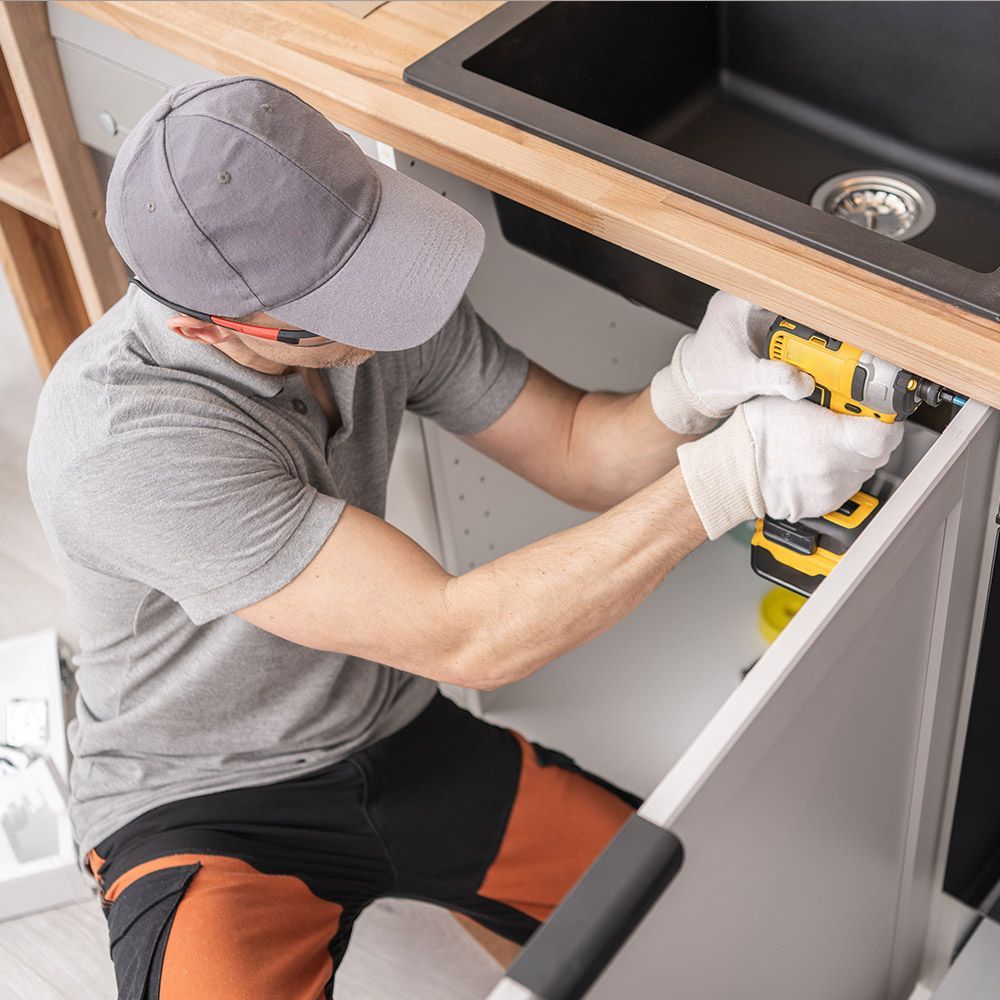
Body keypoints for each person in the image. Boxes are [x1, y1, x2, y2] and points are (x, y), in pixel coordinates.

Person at [27, 77, 901, 1000]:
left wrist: (690, 389)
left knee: (696, 925)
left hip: (401, 732)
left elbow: (577, 449)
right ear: (208, 329)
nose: (387, 314)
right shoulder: (122, 444)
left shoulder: (365, 304)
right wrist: (731, 478)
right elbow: (464, 635)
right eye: (340, 307)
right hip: (205, 801)